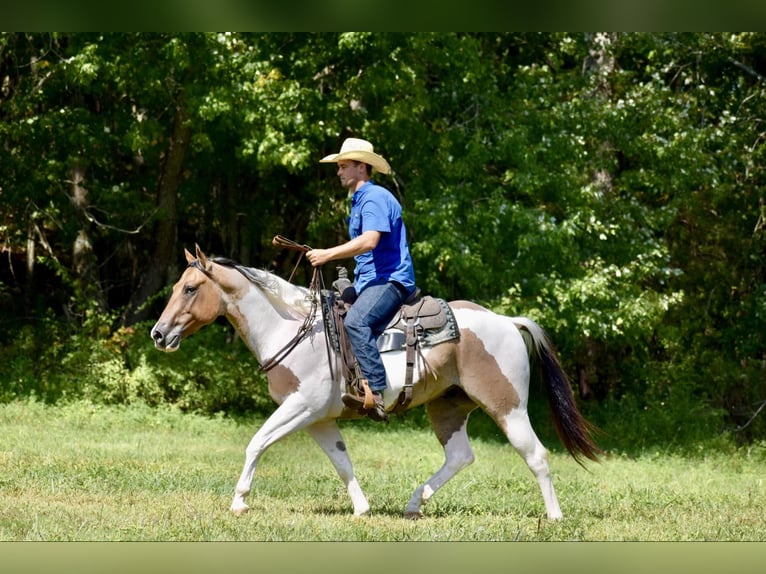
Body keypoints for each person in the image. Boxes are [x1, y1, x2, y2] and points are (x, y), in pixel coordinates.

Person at [306, 137, 417, 422]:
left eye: (344, 166)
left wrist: (327, 255)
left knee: (356, 321)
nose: (339, 172)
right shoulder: (358, 202)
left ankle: (376, 394)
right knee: (330, 312)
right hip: (370, 281)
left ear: (361, 167)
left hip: (391, 280)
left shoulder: (375, 197)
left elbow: (369, 241)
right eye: (339, 166)